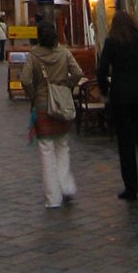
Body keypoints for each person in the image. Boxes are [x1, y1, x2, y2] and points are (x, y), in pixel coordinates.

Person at [96, 9, 138, 202]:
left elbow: (101, 71)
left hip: (121, 98)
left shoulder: (111, 42)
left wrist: (105, 91)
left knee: (125, 144)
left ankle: (131, 188)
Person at [21, 21, 82, 209]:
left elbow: (24, 79)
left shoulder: (34, 55)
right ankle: (66, 187)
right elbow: (78, 72)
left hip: (42, 105)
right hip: (62, 104)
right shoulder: (64, 52)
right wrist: (67, 86)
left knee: (46, 150)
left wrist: (33, 94)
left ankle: (53, 198)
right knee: (62, 146)